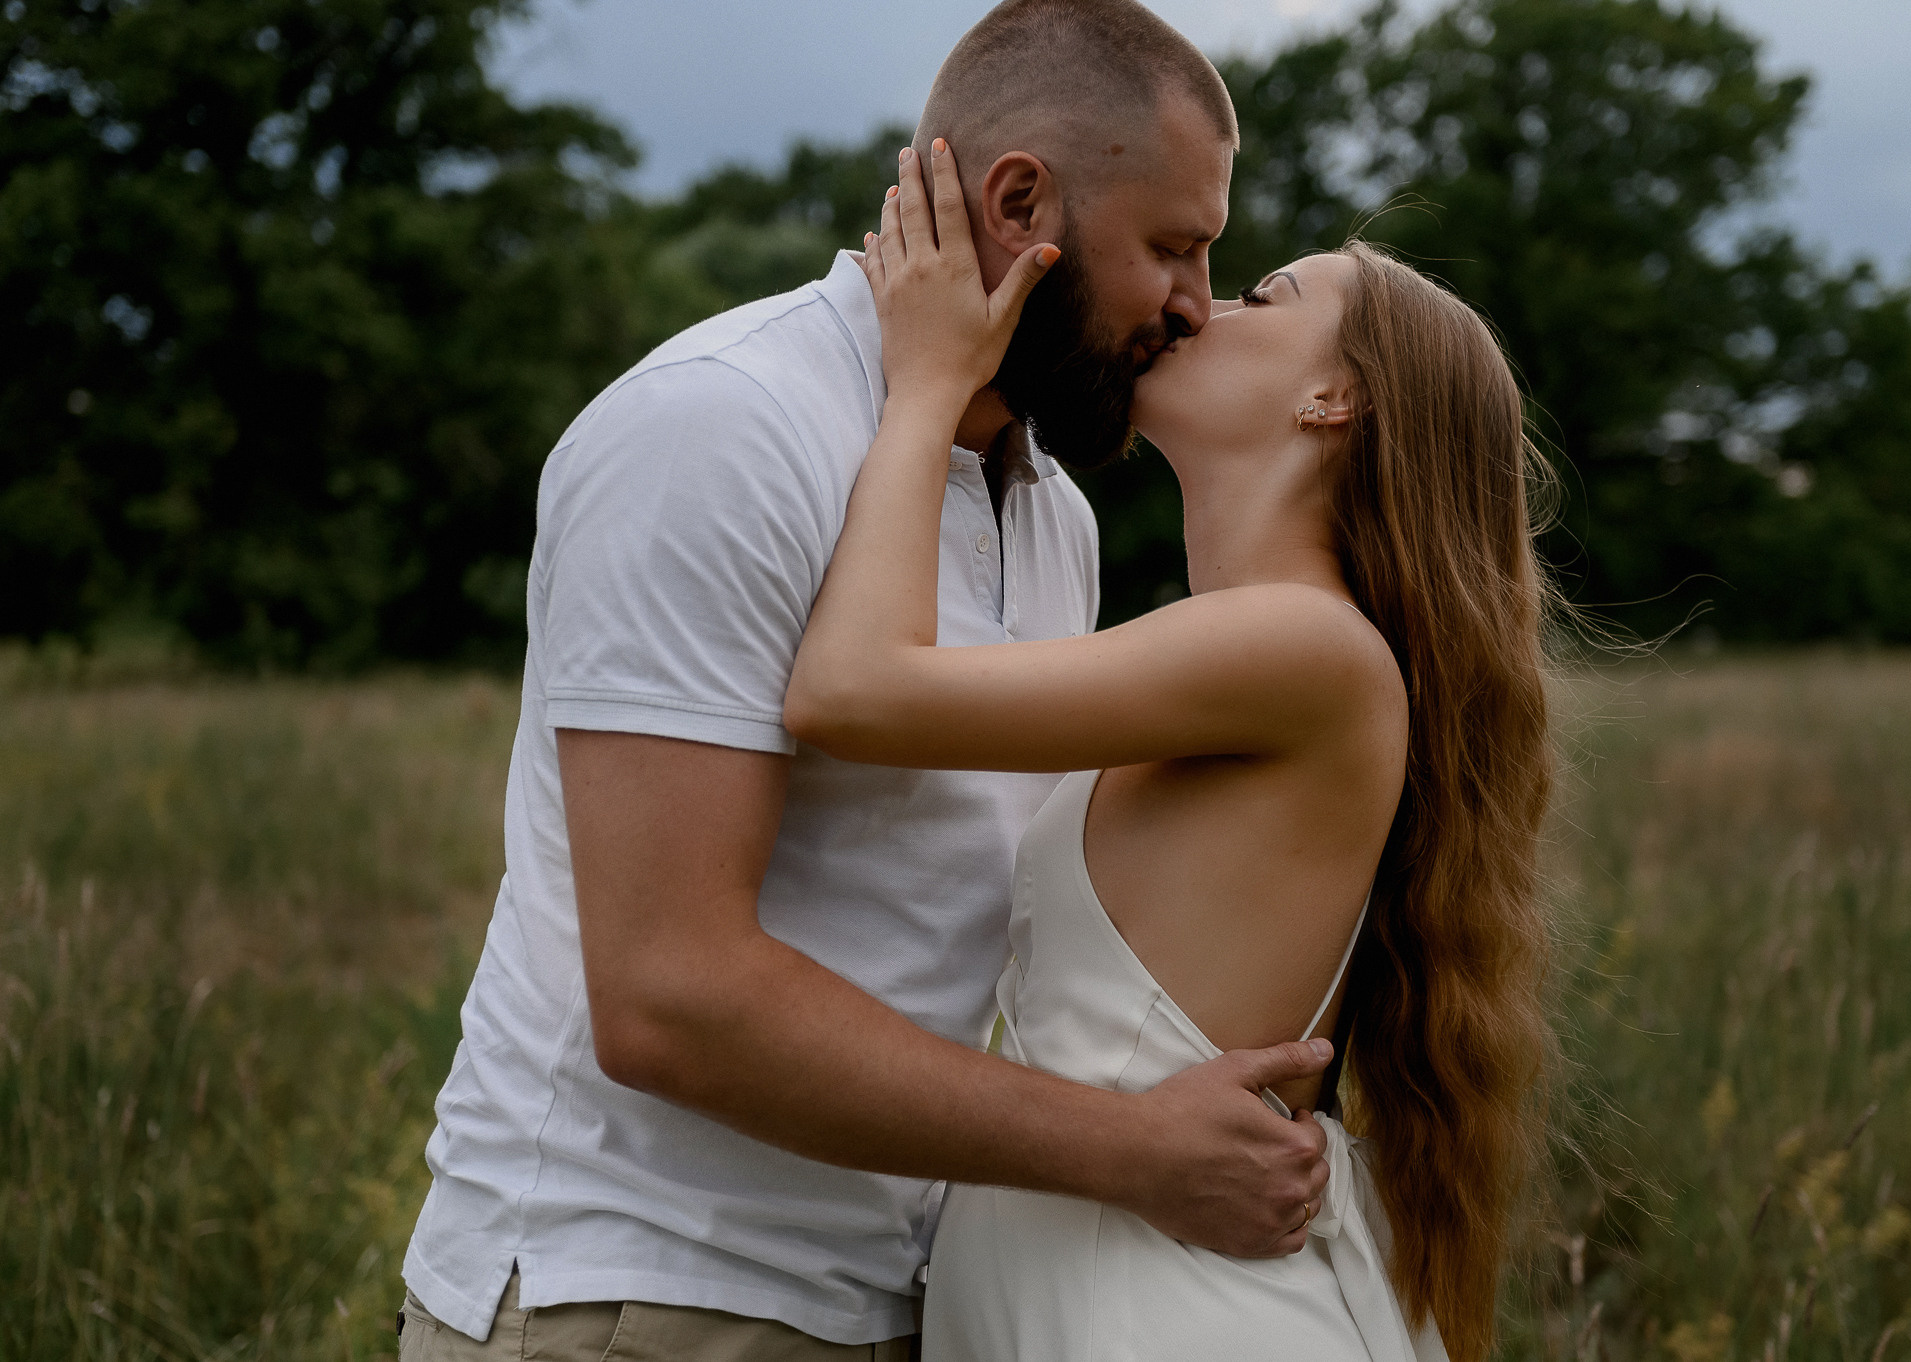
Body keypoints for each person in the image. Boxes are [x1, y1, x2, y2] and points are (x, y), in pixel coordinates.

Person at [398, 4, 1341, 1360]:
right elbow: (669, 995)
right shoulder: (721, 427)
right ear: (1019, 204)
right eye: (1173, 248)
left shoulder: (1054, 512)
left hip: (892, 1303)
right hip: (634, 1299)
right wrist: (1134, 1148)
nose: (1197, 303)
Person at [783, 135, 1557, 1361]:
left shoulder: (1303, 647)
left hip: (1163, 1310)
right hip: (1107, 1289)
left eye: (1263, 298)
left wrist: (926, 382)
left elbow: (851, 693)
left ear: (1334, 399)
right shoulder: (1236, 653)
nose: (1199, 308)